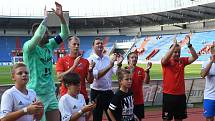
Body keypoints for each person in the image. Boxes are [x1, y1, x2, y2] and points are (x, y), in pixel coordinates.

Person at [22, 2, 70, 121]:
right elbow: (37, 36)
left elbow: (65, 34)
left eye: (47, 31)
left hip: (50, 93)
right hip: (36, 93)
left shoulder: (50, 45)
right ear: (36, 34)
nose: (47, 34)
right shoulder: (29, 48)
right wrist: (45, 20)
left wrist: (61, 17)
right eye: (44, 31)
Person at [161, 35, 198, 121]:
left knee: (179, 119)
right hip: (168, 95)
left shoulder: (182, 61)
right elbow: (164, 60)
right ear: (171, 52)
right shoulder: (166, 62)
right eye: (175, 52)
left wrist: (189, 45)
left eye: (179, 52)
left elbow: (195, 57)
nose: (177, 54)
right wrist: (174, 45)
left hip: (181, 96)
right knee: (167, 119)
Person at [88, 37, 123, 121]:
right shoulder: (90, 60)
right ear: (93, 46)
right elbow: (96, 76)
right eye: (97, 43)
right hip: (96, 93)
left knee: (113, 116)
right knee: (97, 117)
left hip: (108, 92)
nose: (100, 45)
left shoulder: (108, 58)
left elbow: (116, 73)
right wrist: (110, 65)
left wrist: (118, 65)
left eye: (101, 43)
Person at [56, 36, 94, 104]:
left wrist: (90, 71)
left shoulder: (85, 61)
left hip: (82, 96)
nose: (76, 46)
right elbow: (59, 78)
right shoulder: (62, 60)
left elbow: (90, 81)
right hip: (66, 97)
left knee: (84, 114)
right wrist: (74, 66)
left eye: (78, 44)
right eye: (74, 44)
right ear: (69, 46)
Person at [127, 52, 152, 120]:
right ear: (128, 59)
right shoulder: (125, 70)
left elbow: (146, 82)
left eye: (136, 57)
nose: (134, 59)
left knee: (138, 119)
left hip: (139, 100)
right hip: (127, 100)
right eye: (132, 57)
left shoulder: (141, 70)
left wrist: (147, 72)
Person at [200, 44, 215, 121]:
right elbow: (202, 75)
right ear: (211, 52)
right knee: (209, 119)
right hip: (210, 97)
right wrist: (211, 61)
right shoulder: (206, 63)